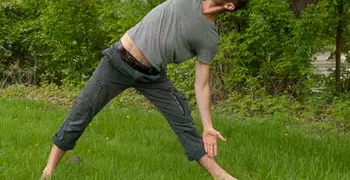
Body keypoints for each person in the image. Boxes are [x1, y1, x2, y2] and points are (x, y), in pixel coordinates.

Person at [40, 0, 248, 179]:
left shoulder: (209, 38)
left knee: (182, 118)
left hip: (152, 76)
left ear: (229, 5)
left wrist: (208, 126)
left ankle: (219, 176)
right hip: (116, 62)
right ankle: (48, 170)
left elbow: (202, 84)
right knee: (82, 111)